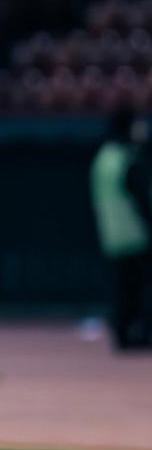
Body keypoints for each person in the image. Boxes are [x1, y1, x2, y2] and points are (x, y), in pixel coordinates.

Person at [91, 109, 151, 350]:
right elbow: (140, 196)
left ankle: (122, 332)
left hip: (111, 232)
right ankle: (137, 332)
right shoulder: (127, 157)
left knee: (120, 288)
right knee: (138, 289)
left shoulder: (103, 157)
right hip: (135, 233)